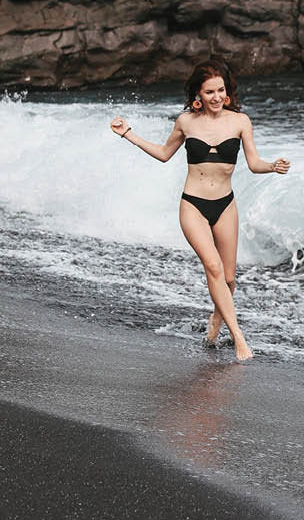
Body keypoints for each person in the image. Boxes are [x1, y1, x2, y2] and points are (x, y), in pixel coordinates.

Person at [109, 59, 291, 361]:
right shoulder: (186, 122)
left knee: (230, 278)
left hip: (226, 205)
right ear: (198, 94)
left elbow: (254, 163)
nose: (217, 97)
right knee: (214, 268)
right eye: (209, 92)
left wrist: (273, 166)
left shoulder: (240, 122)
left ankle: (216, 322)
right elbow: (165, 154)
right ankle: (240, 339)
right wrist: (129, 133)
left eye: (221, 90)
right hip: (193, 205)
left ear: (227, 92)